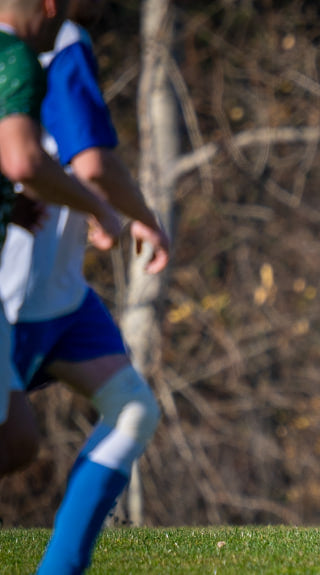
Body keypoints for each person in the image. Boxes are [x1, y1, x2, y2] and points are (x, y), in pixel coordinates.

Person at [0, 1, 169, 572]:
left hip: (59, 292)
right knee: (14, 443)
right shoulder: (58, 40)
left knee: (130, 408)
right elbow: (91, 163)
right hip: (22, 289)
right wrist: (127, 212)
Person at [0, 0, 122, 465]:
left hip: (47, 287)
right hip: (28, 289)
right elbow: (38, 161)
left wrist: (11, 206)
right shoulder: (32, 52)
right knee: (15, 441)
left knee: (16, 441)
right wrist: (106, 210)